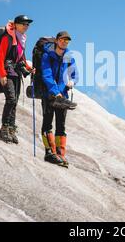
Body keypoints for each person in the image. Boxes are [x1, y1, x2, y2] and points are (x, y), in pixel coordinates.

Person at [40, 31, 77, 167]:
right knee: (48, 123)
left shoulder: (69, 57)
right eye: (62, 40)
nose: (64, 42)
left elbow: (74, 74)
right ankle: (50, 153)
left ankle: (60, 155)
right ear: (56, 40)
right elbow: (47, 75)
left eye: (67, 41)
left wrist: (72, 81)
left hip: (63, 96)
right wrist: (56, 92)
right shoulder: (47, 55)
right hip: (49, 94)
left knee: (61, 125)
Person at [0, 15, 35, 144]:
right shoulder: (8, 37)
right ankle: (4, 128)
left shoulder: (21, 39)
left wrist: (29, 68)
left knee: (15, 101)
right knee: (11, 99)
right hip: (7, 72)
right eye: (24, 24)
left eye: (28, 24)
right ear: (16, 24)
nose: (26, 26)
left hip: (16, 72)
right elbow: (0, 56)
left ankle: (11, 129)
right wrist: (2, 74)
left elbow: (21, 58)